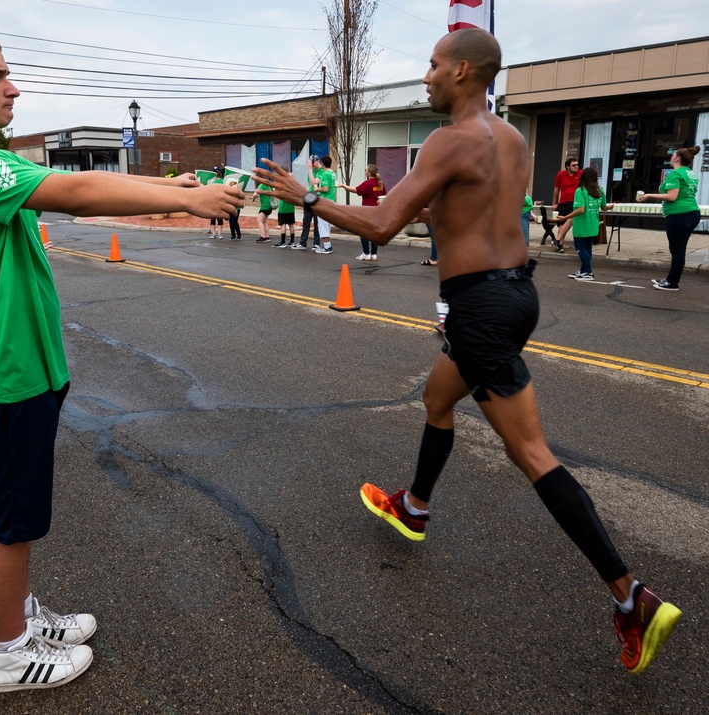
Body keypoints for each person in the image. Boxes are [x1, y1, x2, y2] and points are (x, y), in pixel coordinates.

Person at [253, 27, 681, 676]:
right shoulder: (509, 139)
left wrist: (307, 197)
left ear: (462, 73)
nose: (424, 75)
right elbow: (462, 211)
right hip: (513, 294)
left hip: (481, 307)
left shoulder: (449, 141)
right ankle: (415, 507)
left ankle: (630, 596)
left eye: (431, 66)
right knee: (436, 396)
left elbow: (380, 224)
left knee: (530, 451)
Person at [0, 20, 243, 692]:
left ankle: (23, 617)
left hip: (23, 371)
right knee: (4, 526)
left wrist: (171, 189)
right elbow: (80, 192)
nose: (13, 89)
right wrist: (186, 199)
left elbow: (60, 193)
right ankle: (7, 652)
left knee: (20, 518)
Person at [638, 146, 702, 291]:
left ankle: (672, 282)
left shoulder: (675, 174)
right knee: (679, 249)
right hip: (692, 213)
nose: (671, 157)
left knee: (677, 250)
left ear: (678, 158)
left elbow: (672, 197)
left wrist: (648, 195)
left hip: (680, 215)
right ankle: (670, 279)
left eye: (673, 155)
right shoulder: (690, 173)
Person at [556, 167, 613, 281]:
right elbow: (604, 207)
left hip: (582, 225)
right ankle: (583, 271)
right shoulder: (599, 190)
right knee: (587, 249)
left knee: (581, 250)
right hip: (593, 225)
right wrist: (610, 206)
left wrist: (565, 217)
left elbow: (580, 209)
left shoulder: (580, 191)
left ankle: (588, 272)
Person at [338, 163, 386, 261]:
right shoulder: (380, 183)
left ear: (369, 173)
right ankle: (374, 254)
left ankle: (366, 253)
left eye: (365, 170)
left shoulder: (368, 183)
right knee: (374, 232)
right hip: (378, 212)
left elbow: (355, 190)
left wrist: (343, 185)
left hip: (367, 212)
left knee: (363, 231)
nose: (365, 171)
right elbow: (384, 196)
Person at [551, 158, 580, 252]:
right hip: (563, 202)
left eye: (577, 165)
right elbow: (556, 189)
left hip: (575, 202)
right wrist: (555, 203)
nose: (576, 167)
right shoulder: (560, 174)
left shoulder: (581, 174)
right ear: (568, 167)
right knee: (562, 224)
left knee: (570, 219)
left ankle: (557, 239)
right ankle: (559, 245)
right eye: (574, 165)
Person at [295, 154, 322, 250]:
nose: (311, 165)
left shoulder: (322, 172)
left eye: (312, 163)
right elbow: (309, 184)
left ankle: (316, 243)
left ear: (317, 161)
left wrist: (310, 169)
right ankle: (303, 242)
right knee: (306, 221)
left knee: (317, 223)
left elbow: (315, 182)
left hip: (317, 199)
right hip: (309, 198)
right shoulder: (312, 171)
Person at [313, 155, 337, 254]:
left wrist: (317, 189)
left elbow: (325, 189)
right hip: (331, 201)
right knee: (327, 225)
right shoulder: (333, 173)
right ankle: (327, 246)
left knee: (322, 226)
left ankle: (327, 247)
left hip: (324, 202)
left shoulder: (325, 174)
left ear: (322, 163)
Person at [208, 166, 225, 239]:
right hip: (212, 201)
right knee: (212, 219)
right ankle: (213, 233)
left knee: (220, 218)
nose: (216, 173)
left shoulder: (222, 181)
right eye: (214, 172)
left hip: (219, 201)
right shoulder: (210, 181)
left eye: (216, 171)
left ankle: (220, 233)